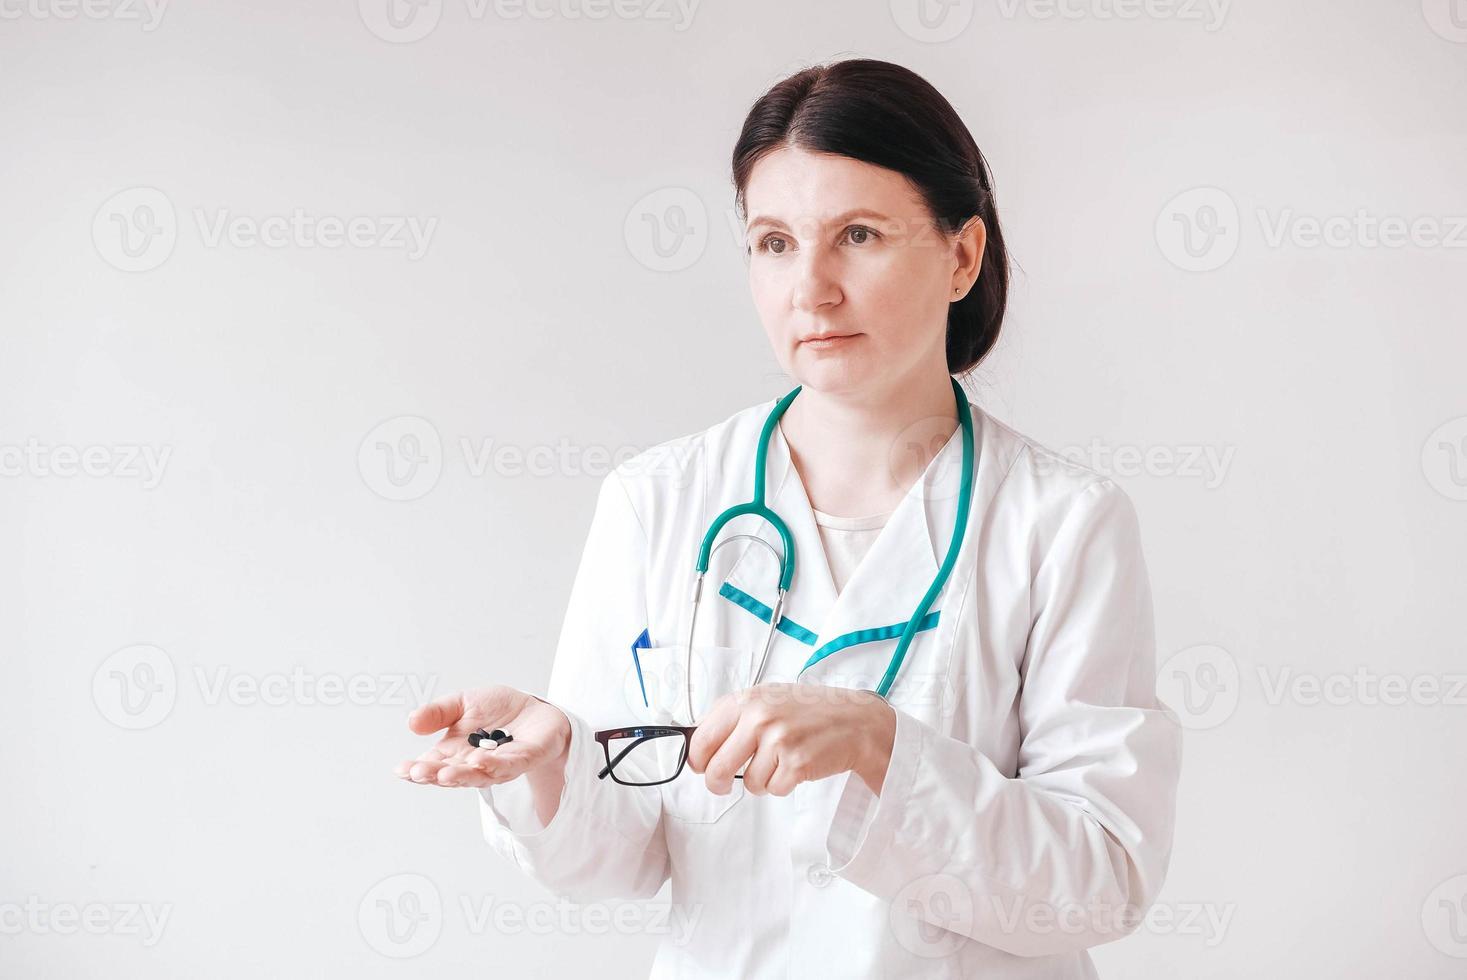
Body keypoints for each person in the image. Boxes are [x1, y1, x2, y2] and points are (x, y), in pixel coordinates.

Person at [395, 57, 1182, 978]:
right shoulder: (659, 501)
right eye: (773, 242)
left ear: (960, 255)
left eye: (857, 234)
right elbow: (621, 858)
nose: (810, 288)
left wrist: (880, 745)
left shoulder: (1062, 523)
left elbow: (1100, 878)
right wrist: (549, 756)